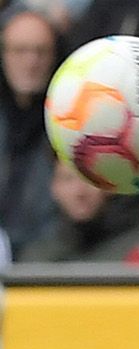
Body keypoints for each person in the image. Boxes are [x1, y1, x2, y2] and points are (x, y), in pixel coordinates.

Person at [0, 8, 60, 257]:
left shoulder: (70, 120)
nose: (31, 61)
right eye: (20, 50)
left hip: (48, 259)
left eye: (40, 51)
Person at [19, 160, 139, 262]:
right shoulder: (36, 258)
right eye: (67, 179)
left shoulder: (138, 250)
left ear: (109, 187)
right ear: (53, 188)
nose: (79, 192)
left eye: (89, 180)